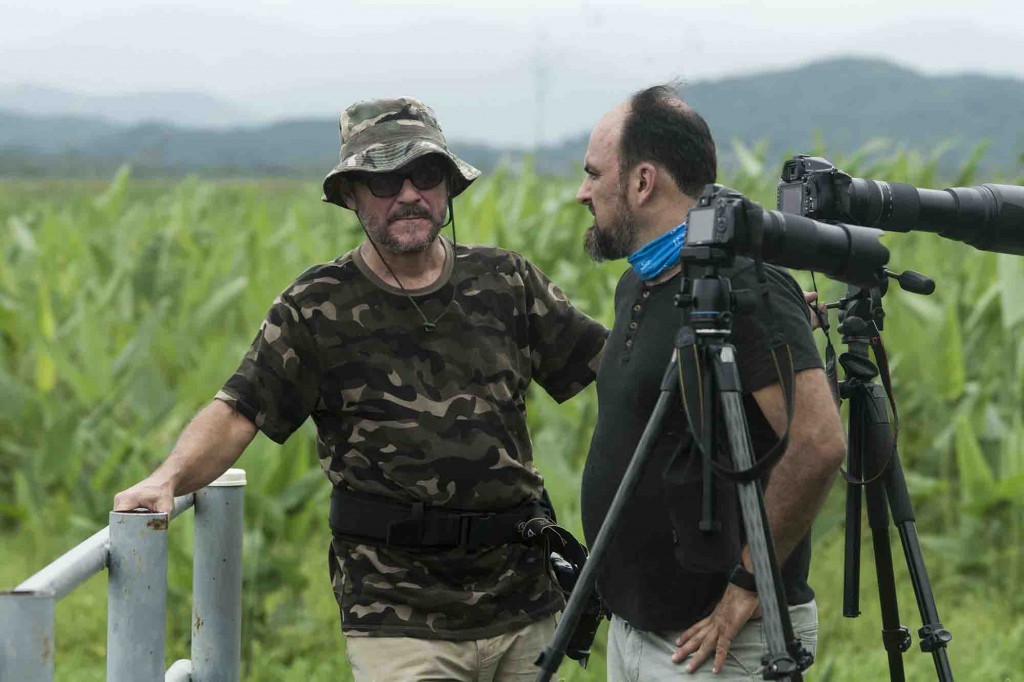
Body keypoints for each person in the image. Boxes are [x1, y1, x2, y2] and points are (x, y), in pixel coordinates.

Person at [113, 96, 607, 681]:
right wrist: (167, 479)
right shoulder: (316, 305)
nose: (408, 194)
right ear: (350, 194)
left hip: (522, 601)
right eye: (382, 178)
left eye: (424, 175)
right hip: (396, 613)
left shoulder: (505, 280)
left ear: (448, 187)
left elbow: (615, 368)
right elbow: (239, 408)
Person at [575, 85, 847, 680]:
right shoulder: (641, 283)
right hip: (638, 631)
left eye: (595, 174)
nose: (582, 192)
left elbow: (819, 442)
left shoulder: (745, 288)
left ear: (643, 182)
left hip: (718, 645)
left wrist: (749, 582)